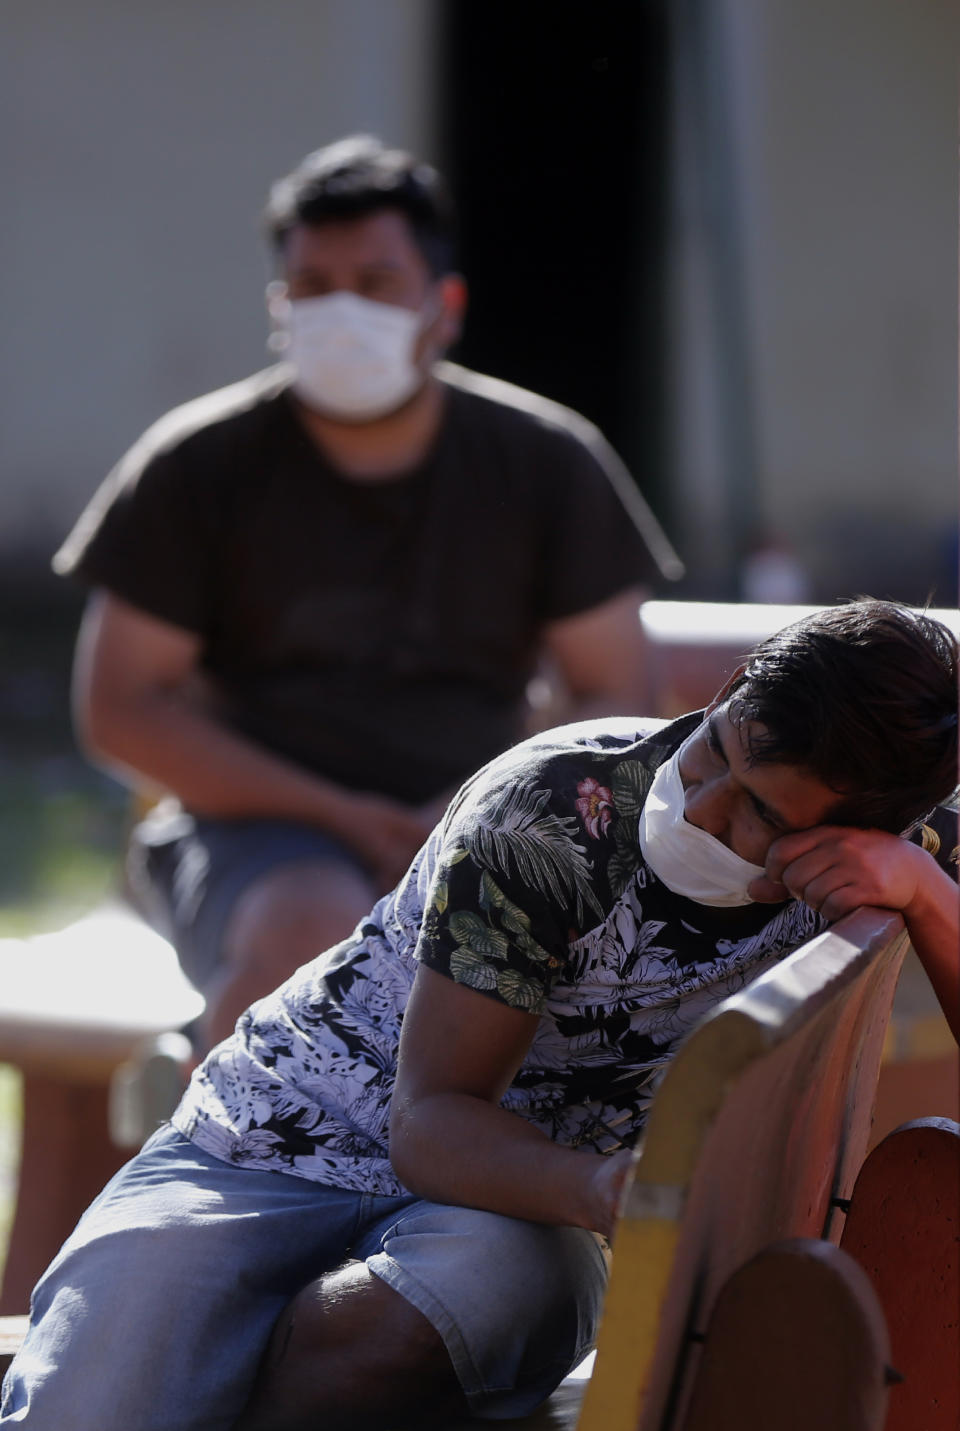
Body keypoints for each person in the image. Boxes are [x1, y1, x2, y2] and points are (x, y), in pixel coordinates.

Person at [2, 598, 956, 1431]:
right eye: (714, 753)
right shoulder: (548, 813)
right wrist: (610, 1190)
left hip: (510, 1202)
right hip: (270, 1142)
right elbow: (430, 1121)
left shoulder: (901, 835)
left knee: (409, 1325)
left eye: (763, 817)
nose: (704, 809)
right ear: (735, 686)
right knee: (87, 1406)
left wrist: (923, 889)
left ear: (865, 830)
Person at [52, 134, 682, 1049]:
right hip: (253, 837)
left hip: (490, 819)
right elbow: (119, 709)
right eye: (312, 286)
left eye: (377, 282)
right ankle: (208, 1174)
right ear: (279, 305)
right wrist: (333, 813)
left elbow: (615, 691)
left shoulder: (547, 461)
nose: (341, 311)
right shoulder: (197, 465)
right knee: (310, 928)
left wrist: (475, 810)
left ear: (445, 305)